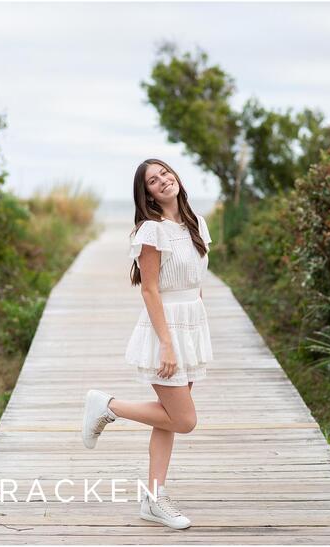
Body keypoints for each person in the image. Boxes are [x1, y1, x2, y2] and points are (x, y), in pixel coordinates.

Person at [81, 159, 214, 530]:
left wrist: (194, 332)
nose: (163, 181)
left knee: (169, 418)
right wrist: (168, 344)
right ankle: (107, 406)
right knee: (184, 420)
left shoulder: (196, 223)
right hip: (165, 328)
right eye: (154, 181)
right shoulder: (151, 231)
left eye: (165, 174)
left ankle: (153, 500)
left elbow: (195, 280)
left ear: (175, 177)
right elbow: (151, 289)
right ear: (148, 195)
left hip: (190, 325)